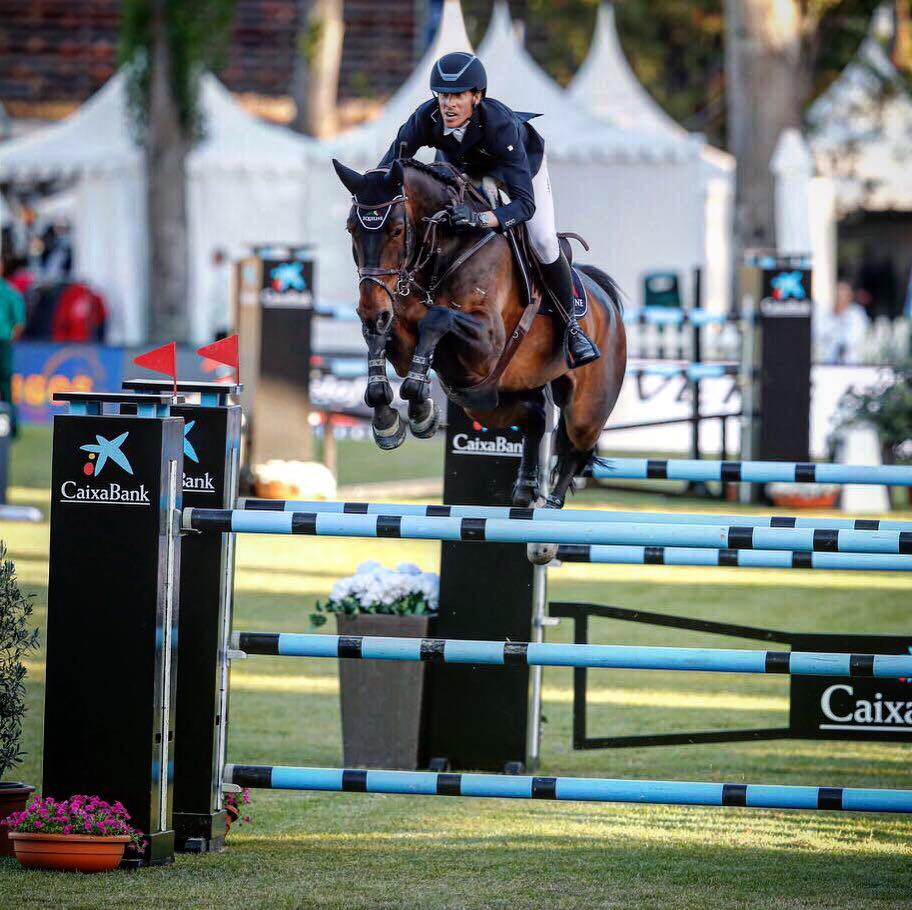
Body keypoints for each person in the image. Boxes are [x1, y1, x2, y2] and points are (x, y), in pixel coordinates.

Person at [377, 52, 599, 368]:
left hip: (518, 172)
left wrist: (481, 219)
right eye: (442, 95)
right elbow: (389, 169)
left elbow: (524, 205)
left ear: (477, 96)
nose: (447, 104)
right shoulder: (425, 119)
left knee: (544, 241)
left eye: (457, 96)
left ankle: (572, 330)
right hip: (462, 170)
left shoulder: (501, 127)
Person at [0, 256, 27, 436]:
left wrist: (10, 338)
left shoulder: (10, 292)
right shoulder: (11, 292)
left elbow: (18, 323)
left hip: (3, 343)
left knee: (5, 385)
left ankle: (10, 425)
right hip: (4, 342)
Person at [818, 278, 869, 365]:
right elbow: (819, 334)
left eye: (843, 293)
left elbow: (854, 338)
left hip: (851, 364)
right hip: (827, 363)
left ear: (850, 296)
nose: (840, 296)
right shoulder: (825, 313)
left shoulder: (857, 314)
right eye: (838, 292)